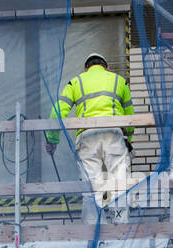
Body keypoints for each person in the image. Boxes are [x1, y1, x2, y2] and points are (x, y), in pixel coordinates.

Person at [46, 52, 135, 208]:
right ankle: (121, 226)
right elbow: (130, 117)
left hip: (87, 137)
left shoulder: (75, 82)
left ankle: (92, 227)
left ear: (86, 68)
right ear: (106, 68)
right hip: (114, 135)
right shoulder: (120, 81)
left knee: (91, 188)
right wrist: (128, 141)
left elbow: (57, 113)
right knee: (119, 184)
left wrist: (52, 140)